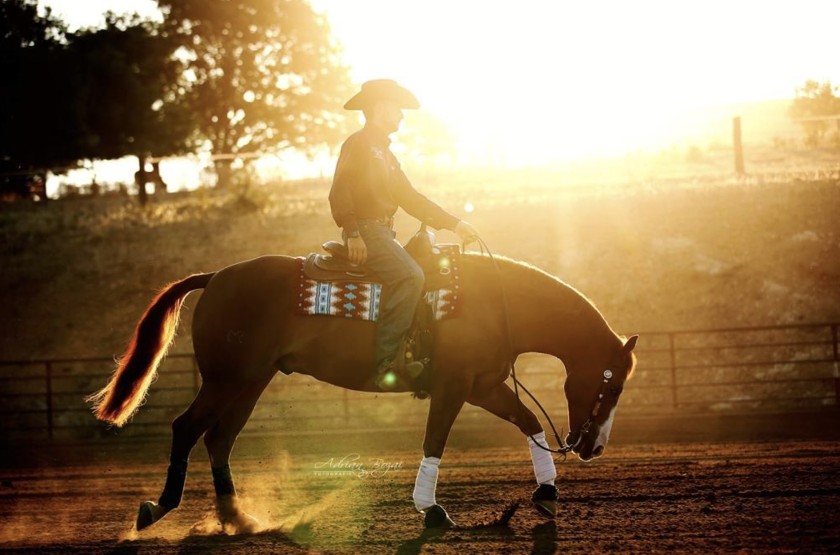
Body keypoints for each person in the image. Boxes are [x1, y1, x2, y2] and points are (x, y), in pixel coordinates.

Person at [329, 79, 478, 391]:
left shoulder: (385, 155)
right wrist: (353, 231)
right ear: (381, 108)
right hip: (368, 230)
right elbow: (341, 189)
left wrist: (453, 224)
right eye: (397, 109)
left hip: (382, 231)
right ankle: (385, 363)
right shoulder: (358, 144)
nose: (401, 116)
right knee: (410, 276)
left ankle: (416, 349)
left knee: (422, 270)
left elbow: (411, 198)